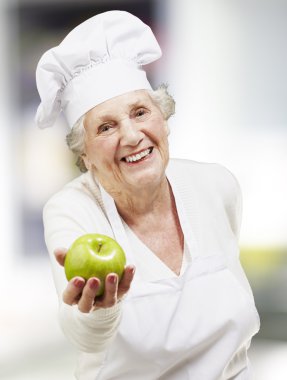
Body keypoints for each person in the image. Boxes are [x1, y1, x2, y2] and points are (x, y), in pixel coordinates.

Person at [35, 10, 260, 380]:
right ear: (84, 155)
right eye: (106, 126)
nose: (132, 135)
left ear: (164, 119)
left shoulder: (216, 186)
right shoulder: (71, 209)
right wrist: (100, 309)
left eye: (140, 112)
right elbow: (82, 334)